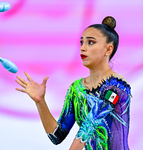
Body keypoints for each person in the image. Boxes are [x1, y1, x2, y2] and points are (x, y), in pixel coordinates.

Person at [15, 16, 131, 150]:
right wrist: (40, 101)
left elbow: (91, 123)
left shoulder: (117, 86)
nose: (82, 48)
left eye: (90, 42)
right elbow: (57, 136)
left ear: (108, 49)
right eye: (81, 42)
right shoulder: (76, 89)